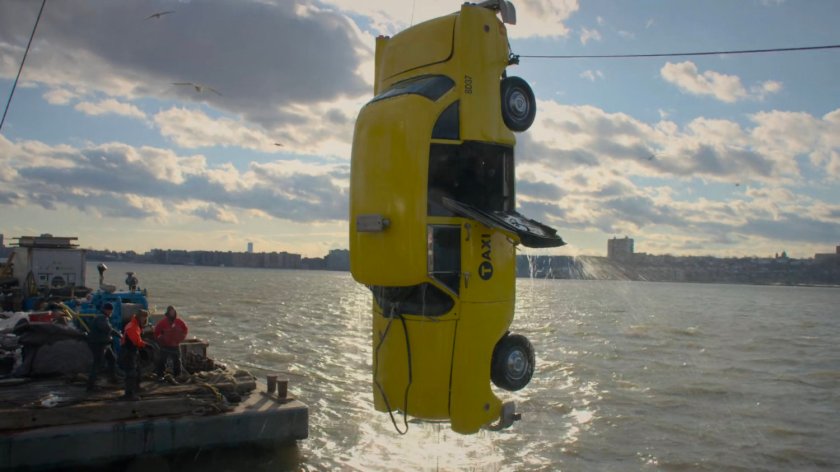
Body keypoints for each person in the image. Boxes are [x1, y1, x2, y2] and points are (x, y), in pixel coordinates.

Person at [86, 302, 120, 391]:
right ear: (107, 310)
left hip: (104, 343)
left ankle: (112, 378)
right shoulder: (102, 318)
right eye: (111, 311)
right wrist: (118, 334)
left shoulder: (102, 317)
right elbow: (106, 328)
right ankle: (91, 386)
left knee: (112, 359)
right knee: (97, 363)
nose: (111, 312)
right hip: (98, 344)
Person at [119, 309, 148, 400]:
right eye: (143, 317)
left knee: (137, 369)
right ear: (139, 317)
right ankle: (129, 394)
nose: (145, 319)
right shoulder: (132, 326)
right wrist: (145, 345)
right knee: (131, 373)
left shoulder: (136, 325)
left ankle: (136, 388)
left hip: (133, 351)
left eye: (146, 317)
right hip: (128, 351)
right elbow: (136, 340)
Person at [154, 305, 188, 380]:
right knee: (162, 361)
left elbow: (185, 329)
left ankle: (178, 376)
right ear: (168, 312)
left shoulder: (179, 322)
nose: (172, 313)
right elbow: (156, 332)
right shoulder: (163, 322)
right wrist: (160, 340)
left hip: (175, 345)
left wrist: (181, 338)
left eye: (173, 312)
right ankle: (160, 375)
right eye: (170, 312)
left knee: (177, 361)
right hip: (165, 346)